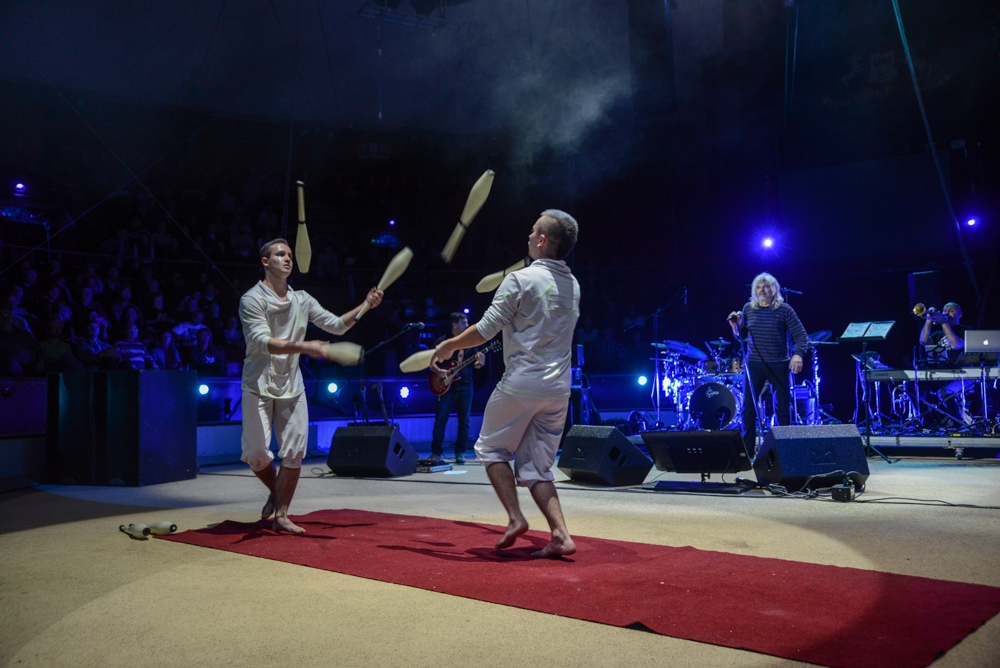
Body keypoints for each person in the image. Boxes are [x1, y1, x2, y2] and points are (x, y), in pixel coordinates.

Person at [432, 210, 580, 558]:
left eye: (533, 232)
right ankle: (560, 535)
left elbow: (485, 330)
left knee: (490, 449)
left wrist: (449, 345)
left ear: (542, 240)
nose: (528, 236)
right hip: (558, 389)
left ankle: (515, 518)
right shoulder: (574, 286)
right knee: (536, 466)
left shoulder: (520, 280)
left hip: (522, 384)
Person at [240, 238, 383, 534]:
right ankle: (276, 491)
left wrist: (366, 306)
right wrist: (307, 346)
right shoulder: (251, 299)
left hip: (292, 385)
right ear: (265, 262)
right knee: (256, 454)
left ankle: (281, 514)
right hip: (258, 383)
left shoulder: (303, 299)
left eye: (290, 255)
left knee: (294, 452)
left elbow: (337, 325)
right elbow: (265, 342)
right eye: (280, 254)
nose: (288, 259)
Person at [728, 272, 808, 455]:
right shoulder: (748, 308)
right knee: (748, 408)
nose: (762, 290)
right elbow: (741, 336)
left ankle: (784, 451)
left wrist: (798, 355)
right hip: (754, 364)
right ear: (754, 290)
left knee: (782, 408)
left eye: (766, 286)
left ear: (774, 289)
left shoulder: (785, 309)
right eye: (758, 287)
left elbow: (802, 336)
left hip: (779, 364)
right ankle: (746, 452)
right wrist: (735, 325)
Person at [429, 312, 485, 464]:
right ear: (454, 325)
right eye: (464, 323)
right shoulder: (442, 341)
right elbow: (430, 361)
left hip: (466, 385)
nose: (467, 325)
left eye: (467, 323)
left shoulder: (472, 342)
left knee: (464, 421)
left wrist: (480, 362)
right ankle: (436, 453)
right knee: (440, 420)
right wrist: (439, 371)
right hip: (445, 386)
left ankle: (460, 452)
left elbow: (477, 365)